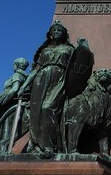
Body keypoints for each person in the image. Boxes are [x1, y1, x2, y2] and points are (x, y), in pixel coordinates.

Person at [19, 21, 76, 155]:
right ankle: (36, 145)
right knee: (36, 112)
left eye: (59, 30)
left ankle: (51, 146)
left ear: (64, 34)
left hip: (59, 78)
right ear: (50, 34)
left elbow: (74, 69)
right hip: (41, 78)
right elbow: (35, 70)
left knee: (47, 107)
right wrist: (24, 86)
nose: (56, 32)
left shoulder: (69, 49)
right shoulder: (45, 50)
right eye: (54, 30)